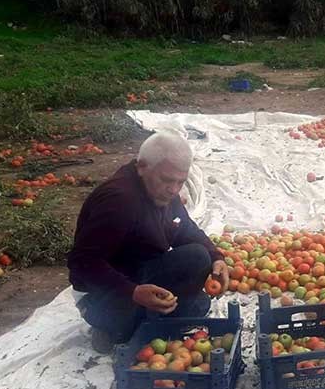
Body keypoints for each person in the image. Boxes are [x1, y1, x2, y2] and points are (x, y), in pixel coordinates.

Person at [68, 131, 229, 352]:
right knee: (191, 289)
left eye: (180, 182)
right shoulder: (119, 201)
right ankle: (110, 326)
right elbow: (82, 265)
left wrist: (216, 258)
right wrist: (132, 291)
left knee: (200, 284)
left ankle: (143, 322)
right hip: (101, 295)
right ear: (142, 167)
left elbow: (184, 228)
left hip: (139, 271)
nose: (174, 189)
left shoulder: (162, 193)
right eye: (167, 180)